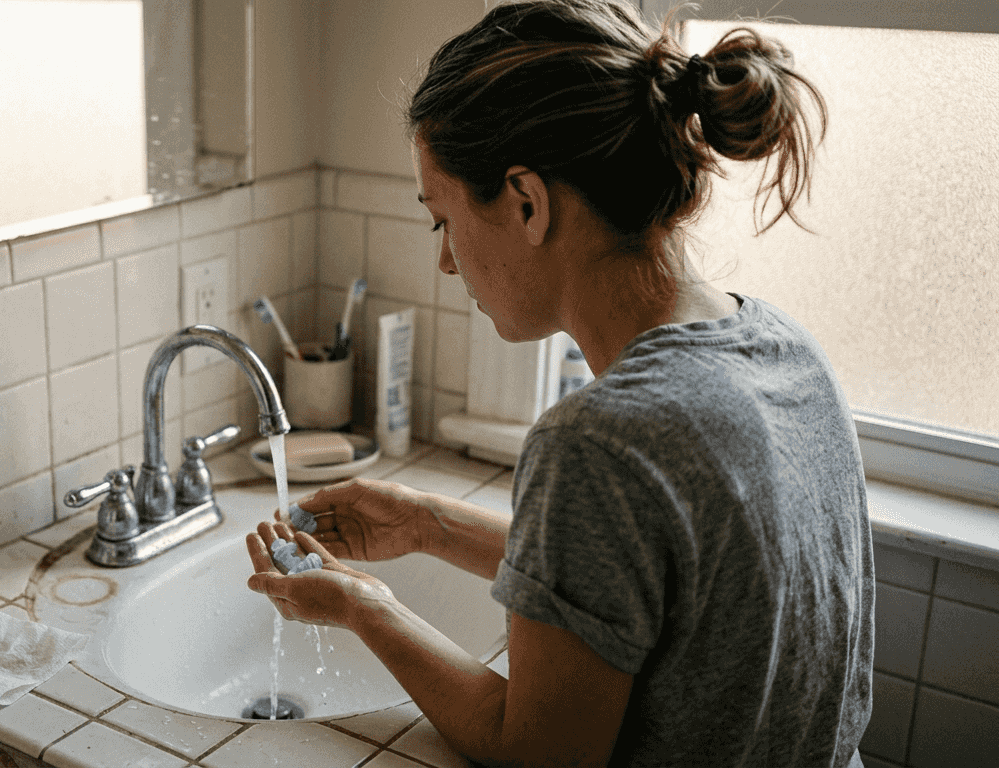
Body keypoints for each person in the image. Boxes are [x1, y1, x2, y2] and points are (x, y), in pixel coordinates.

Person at [246, 1, 874, 766]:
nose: (446, 261)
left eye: (442, 219)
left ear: (527, 202)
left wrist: (363, 605)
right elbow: (659, 586)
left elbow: (535, 756)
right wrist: (426, 524)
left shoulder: (599, 442)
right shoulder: (786, 348)